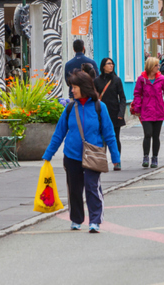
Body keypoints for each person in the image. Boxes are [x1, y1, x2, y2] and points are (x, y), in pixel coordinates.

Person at [43, 70, 120, 232]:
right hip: (72, 155)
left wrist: (115, 156)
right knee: (74, 189)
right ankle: (76, 219)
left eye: (75, 87)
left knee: (92, 186)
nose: (72, 90)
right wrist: (48, 154)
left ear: (84, 87)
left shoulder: (100, 107)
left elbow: (109, 133)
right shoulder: (70, 108)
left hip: (93, 154)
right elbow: (59, 133)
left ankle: (95, 220)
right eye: (71, 87)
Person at [132, 57, 164, 168]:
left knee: (156, 136)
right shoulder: (142, 79)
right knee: (148, 134)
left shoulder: (161, 79)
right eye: (156, 65)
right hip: (146, 110)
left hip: (159, 110)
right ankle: (146, 156)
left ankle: (155, 157)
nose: (158, 67)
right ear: (150, 66)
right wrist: (137, 108)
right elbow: (137, 94)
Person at [95, 58, 127, 171]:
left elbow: (122, 98)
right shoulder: (97, 81)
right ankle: (101, 161)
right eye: (109, 64)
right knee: (101, 138)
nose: (111, 65)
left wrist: (121, 112)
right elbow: (94, 98)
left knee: (115, 138)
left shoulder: (117, 80)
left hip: (114, 113)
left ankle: (116, 161)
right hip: (100, 113)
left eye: (112, 64)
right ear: (103, 66)